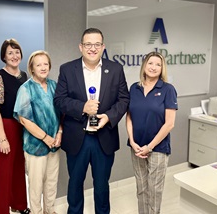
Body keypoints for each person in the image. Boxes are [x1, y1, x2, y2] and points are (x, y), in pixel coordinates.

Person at [54, 28, 129, 214]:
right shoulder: (67, 69)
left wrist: (109, 117)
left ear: (103, 47)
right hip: (77, 138)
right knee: (75, 184)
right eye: (88, 44)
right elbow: (59, 100)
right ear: (81, 47)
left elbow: (124, 99)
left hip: (104, 137)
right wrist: (82, 108)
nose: (92, 48)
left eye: (97, 44)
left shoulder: (115, 69)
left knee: (102, 186)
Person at [126, 51, 178, 214]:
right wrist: (133, 142)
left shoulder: (168, 89)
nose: (153, 67)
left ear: (162, 68)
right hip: (136, 147)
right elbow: (129, 116)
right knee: (141, 188)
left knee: (154, 190)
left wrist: (149, 146)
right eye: (150, 63)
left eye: (158, 64)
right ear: (144, 65)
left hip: (157, 148)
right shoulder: (134, 88)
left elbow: (169, 124)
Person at [14, 50, 62, 214]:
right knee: (36, 185)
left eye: (45, 64)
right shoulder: (26, 89)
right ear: (32, 68)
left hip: (55, 144)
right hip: (36, 146)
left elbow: (62, 114)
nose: (43, 67)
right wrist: (46, 138)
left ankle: (50, 210)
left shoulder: (55, 86)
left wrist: (59, 133)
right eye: (38, 64)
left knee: (51, 181)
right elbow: (24, 119)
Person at [0, 39, 31, 214]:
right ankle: (0, 211)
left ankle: (19, 205)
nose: (14, 56)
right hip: (4, 127)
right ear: (4, 57)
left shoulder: (24, 76)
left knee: (19, 167)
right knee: (5, 171)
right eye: (10, 53)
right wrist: (2, 138)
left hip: (21, 126)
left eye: (17, 52)